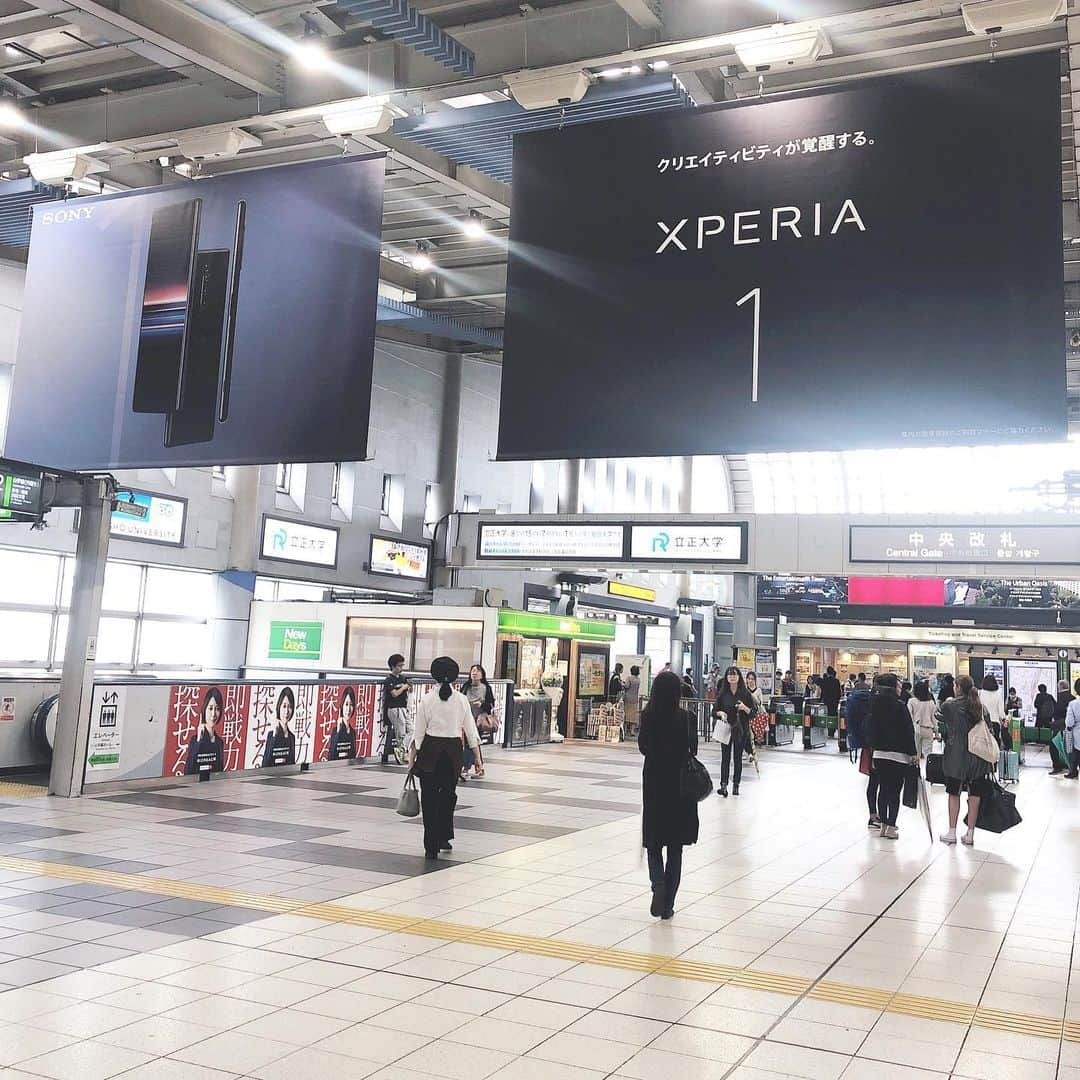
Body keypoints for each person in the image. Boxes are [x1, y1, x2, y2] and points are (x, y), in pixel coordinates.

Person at [638, 670, 699, 920]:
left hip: (654, 785)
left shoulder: (648, 716)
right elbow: (692, 749)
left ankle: (658, 884)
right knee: (675, 848)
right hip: (680, 788)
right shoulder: (687, 718)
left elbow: (643, 747)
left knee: (654, 842)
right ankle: (669, 905)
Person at [409, 657, 482, 860]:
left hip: (430, 753)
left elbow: (419, 735)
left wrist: (412, 758)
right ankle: (444, 836)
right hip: (453, 754)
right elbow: (470, 730)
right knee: (448, 797)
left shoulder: (427, 700)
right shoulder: (461, 700)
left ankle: (430, 845)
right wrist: (477, 758)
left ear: (434, 675)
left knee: (430, 798)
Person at [940, 675, 994, 846]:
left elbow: (940, 714)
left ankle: (952, 831)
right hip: (979, 758)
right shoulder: (981, 707)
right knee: (975, 795)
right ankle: (970, 833)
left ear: (957, 687)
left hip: (956, 758)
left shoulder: (950, 705)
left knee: (953, 793)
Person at [867, 674, 918, 839]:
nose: (900, 688)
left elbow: (870, 729)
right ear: (892, 687)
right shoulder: (899, 706)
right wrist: (913, 753)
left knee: (882, 789)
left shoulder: (874, 705)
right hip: (898, 756)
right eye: (897, 685)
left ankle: (882, 825)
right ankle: (891, 825)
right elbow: (907, 731)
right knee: (894, 792)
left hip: (880, 754)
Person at [712, 666, 756, 798]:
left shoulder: (745, 694)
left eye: (734, 675)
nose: (732, 677)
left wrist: (745, 708)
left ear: (738, 677)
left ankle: (736, 784)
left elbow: (753, 713)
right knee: (725, 758)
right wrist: (720, 713)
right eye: (729, 675)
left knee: (737, 758)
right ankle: (723, 785)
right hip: (726, 729)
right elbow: (713, 711)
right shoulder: (723, 693)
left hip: (740, 729)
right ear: (726, 677)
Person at [844, 675, 876, 829]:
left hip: (866, 745)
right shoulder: (875, 701)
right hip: (880, 747)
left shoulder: (854, 702)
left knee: (873, 781)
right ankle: (886, 820)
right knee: (886, 785)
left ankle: (873, 815)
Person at [460, 664, 496, 780]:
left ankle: (465, 768)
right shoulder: (466, 687)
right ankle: (479, 769)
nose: (474, 673)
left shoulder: (486, 688)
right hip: (466, 719)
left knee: (472, 743)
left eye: (477, 671)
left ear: (482, 674)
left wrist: (481, 705)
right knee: (473, 744)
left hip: (479, 720)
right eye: (472, 671)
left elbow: (491, 705)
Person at [185, 687, 224, 775]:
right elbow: (188, 772)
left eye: (217, 709)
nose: (213, 714)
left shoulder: (219, 742)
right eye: (210, 708)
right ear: (204, 710)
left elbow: (220, 773)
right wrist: (199, 741)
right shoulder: (195, 740)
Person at [381, 654, 411, 765]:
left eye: (402, 665)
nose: (401, 668)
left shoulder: (403, 678)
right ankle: (401, 755)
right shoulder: (389, 680)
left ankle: (402, 750)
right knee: (401, 733)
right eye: (399, 666)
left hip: (403, 707)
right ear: (393, 666)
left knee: (411, 730)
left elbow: (409, 689)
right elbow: (394, 694)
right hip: (394, 708)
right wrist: (403, 687)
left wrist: (407, 687)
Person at [262, 687, 297, 767]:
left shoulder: (292, 737)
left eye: (290, 707)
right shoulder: (272, 735)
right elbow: (265, 765)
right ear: (279, 707)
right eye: (284, 706)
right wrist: (275, 735)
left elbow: (292, 765)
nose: (287, 711)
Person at [909, 679, 938, 762]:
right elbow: (934, 719)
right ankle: (928, 771)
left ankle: (916, 772)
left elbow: (909, 716)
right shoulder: (931, 702)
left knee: (915, 754)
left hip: (916, 728)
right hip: (928, 730)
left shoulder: (912, 701)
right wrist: (936, 733)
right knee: (928, 754)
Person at [1051, 680, 1074, 776]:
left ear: (1060, 687)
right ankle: (1072, 768)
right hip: (1072, 726)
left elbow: (1057, 712)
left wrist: (1053, 722)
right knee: (1071, 747)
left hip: (1060, 725)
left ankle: (1057, 766)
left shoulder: (1061, 697)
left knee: (1053, 745)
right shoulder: (1072, 698)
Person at [328, 686, 357, 761]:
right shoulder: (336, 730)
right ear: (342, 706)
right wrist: (338, 731)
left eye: (351, 705)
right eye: (346, 704)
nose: (348, 709)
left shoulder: (352, 732)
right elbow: (331, 756)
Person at [979, 674, 1006, 746]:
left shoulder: (980, 693)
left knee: (983, 745)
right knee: (994, 745)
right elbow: (1001, 713)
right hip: (994, 723)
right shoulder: (998, 694)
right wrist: (1004, 719)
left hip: (982, 723)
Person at [1066, 689, 1080, 779]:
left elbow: (1069, 722)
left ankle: (1073, 772)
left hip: (1077, 732)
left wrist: (1069, 727)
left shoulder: (1073, 704)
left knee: (1076, 752)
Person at [624, 665, 642, 732]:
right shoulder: (638, 680)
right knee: (633, 716)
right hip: (635, 699)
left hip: (628, 698)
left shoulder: (629, 678)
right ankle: (632, 731)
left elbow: (627, 686)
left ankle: (625, 730)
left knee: (626, 715)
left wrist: (622, 684)